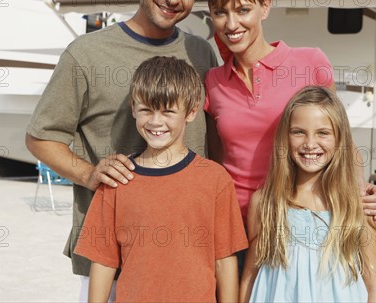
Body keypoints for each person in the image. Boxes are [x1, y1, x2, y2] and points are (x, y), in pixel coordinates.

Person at [25, 0, 217, 292]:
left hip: (188, 252)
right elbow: (40, 137)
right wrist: (89, 173)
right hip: (111, 257)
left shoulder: (200, 53)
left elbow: (214, 139)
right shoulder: (86, 54)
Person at [204, 0, 376, 225]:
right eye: (221, 13)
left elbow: (342, 140)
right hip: (235, 225)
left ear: (265, 7)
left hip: (298, 221)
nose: (232, 24)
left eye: (243, 10)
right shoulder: (213, 81)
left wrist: (363, 190)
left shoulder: (310, 63)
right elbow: (217, 163)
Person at [74, 56, 248, 302]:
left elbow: (225, 259)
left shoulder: (215, 180)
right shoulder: (116, 180)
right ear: (133, 108)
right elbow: (103, 261)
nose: (155, 122)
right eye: (146, 110)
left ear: (191, 111)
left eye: (168, 111)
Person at [240, 86, 376, 302]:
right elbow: (249, 279)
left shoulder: (358, 206)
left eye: (323, 133)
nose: (309, 144)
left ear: (340, 139)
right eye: (298, 132)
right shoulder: (265, 204)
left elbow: (375, 287)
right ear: (285, 137)